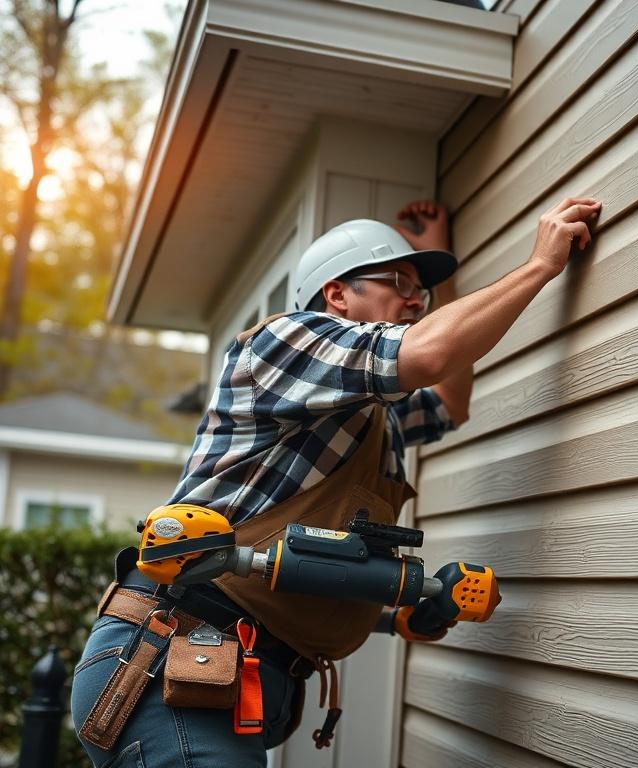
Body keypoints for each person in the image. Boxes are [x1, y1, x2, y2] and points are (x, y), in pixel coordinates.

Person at [70, 196, 602, 767]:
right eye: (398, 280)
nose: (414, 299)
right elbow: (427, 353)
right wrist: (540, 265)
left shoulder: (378, 412)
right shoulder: (282, 342)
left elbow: (451, 399)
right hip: (172, 651)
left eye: (419, 290)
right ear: (336, 295)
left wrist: (430, 274)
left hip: (237, 670)